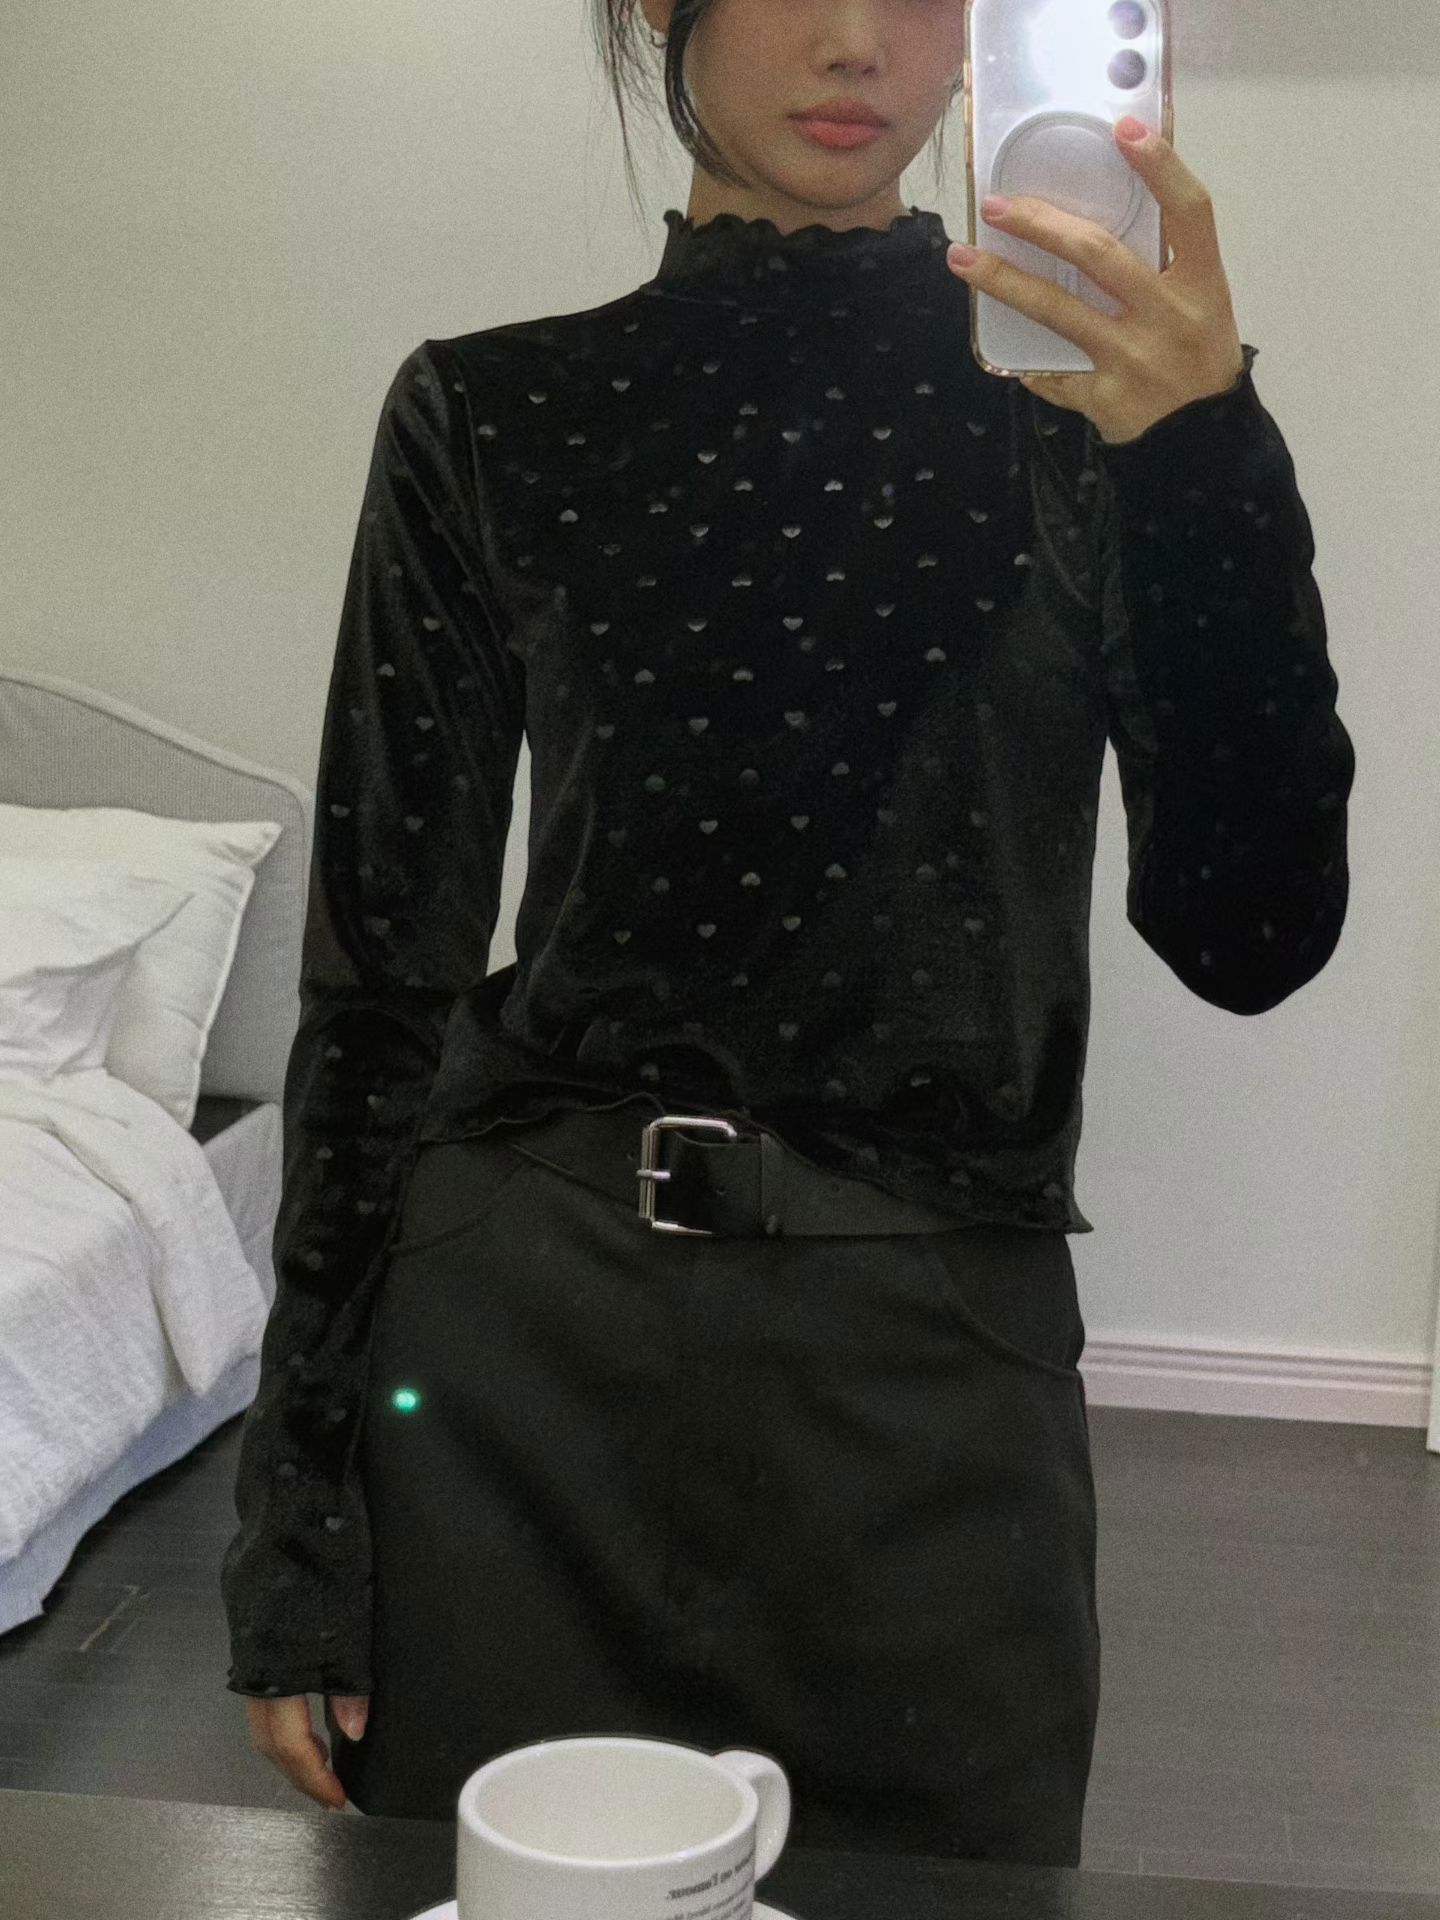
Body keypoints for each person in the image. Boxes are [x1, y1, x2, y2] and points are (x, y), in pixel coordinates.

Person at [221, 0, 1354, 1867]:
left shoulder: (1102, 414)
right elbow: (379, 981)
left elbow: (1254, 933)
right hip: (520, 1350)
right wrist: (303, 1510)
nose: (853, 41)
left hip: (934, 1353)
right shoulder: (493, 411)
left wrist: (1208, 457)